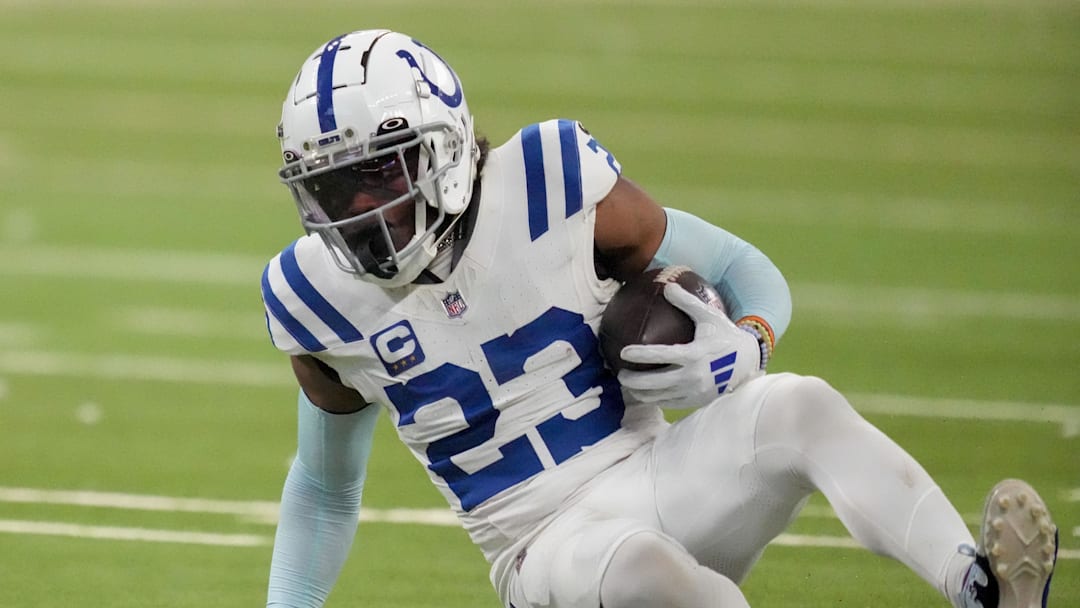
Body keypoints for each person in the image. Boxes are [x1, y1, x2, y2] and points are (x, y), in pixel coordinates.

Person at [259, 29, 1058, 608]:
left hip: (656, 472)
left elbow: (744, 269)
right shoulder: (314, 295)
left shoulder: (549, 181)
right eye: (333, 188)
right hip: (543, 552)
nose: (361, 209)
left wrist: (747, 347)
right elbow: (325, 489)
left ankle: (978, 586)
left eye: (378, 173)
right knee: (649, 568)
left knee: (797, 404)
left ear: (443, 150)